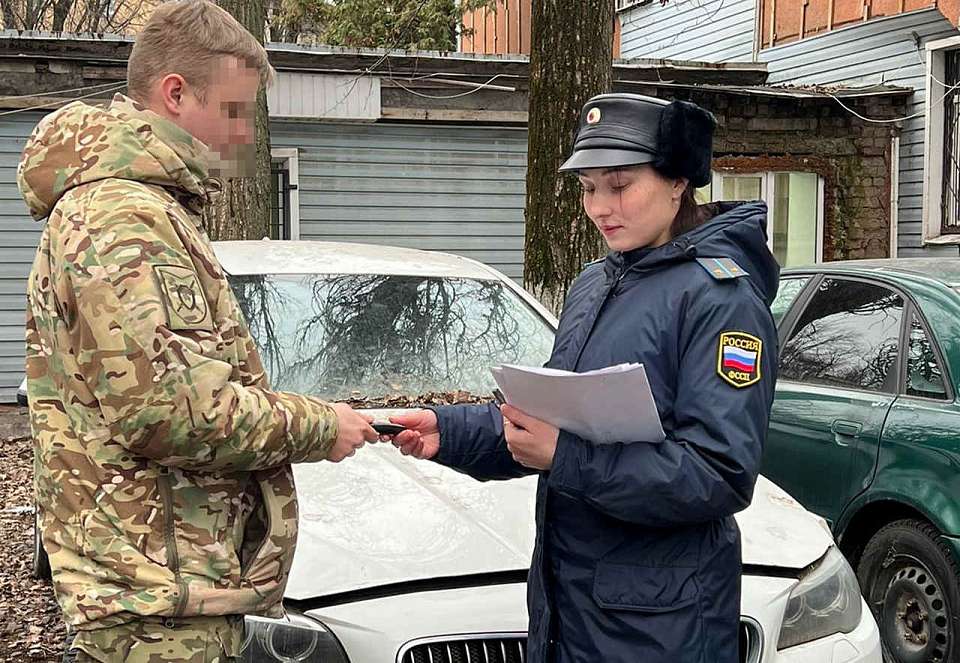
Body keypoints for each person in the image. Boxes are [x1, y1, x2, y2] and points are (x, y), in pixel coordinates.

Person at [18, 1, 380, 661]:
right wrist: (323, 425)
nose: (243, 134)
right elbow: (174, 411)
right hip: (155, 609)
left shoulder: (137, 207)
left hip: (161, 594)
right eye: (235, 111)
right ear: (175, 94)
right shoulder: (123, 217)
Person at [392, 93, 779, 663]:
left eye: (618, 186)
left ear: (678, 182)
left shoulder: (721, 300)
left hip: (659, 629)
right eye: (588, 188)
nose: (600, 206)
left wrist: (565, 457)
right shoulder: (596, 284)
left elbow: (718, 474)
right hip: (567, 609)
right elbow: (549, 417)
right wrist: (447, 430)